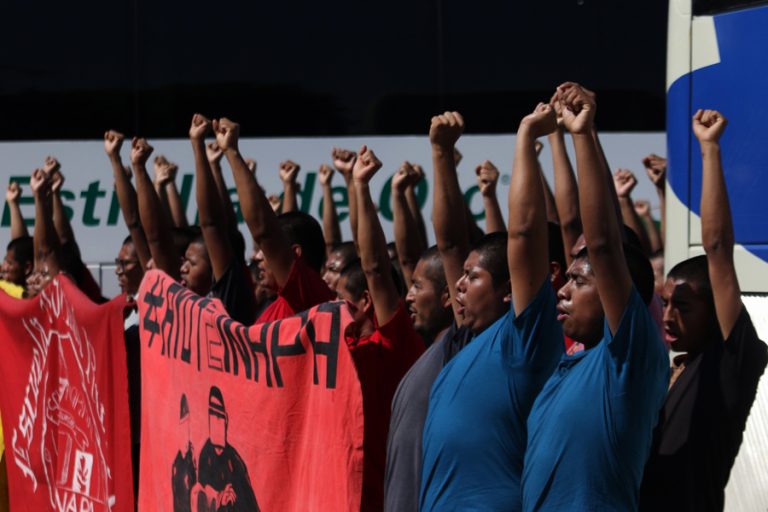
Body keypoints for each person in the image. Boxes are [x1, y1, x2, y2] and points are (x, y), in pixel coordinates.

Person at [521, 83, 669, 511]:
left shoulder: (629, 358)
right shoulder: (566, 366)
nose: (561, 291)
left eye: (579, 281)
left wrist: (582, 135)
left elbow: (601, 243)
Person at [419, 105, 564, 511]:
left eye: (474, 277)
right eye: (460, 276)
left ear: (508, 290)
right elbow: (448, 242)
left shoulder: (524, 339)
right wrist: (441, 153)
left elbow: (523, 232)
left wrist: (525, 134)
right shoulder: (467, 337)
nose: (459, 285)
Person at [639, 110, 768, 511]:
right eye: (665, 303)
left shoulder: (730, 362)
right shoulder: (666, 369)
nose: (668, 315)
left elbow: (717, 248)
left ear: (716, 311)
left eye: (684, 306)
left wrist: (709, 149)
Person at [336, 145, 424, 511]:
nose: (332, 308)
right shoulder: (341, 349)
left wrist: (359, 187)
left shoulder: (395, 340)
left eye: (341, 300)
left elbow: (373, 265)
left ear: (368, 301)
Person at [212, 118, 333, 323]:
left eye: (266, 251)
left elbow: (264, 231)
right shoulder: (275, 307)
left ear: (295, 254)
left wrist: (232, 152)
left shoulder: (308, 294)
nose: (257, 257)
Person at [192, 387, 258, 512]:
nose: (216, 420)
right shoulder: (205, 454)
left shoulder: (235, 462)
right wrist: (219, 497)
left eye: (219, 415)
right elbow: (201, 494)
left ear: (226, 420)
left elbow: (251, 504)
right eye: (212, 413)